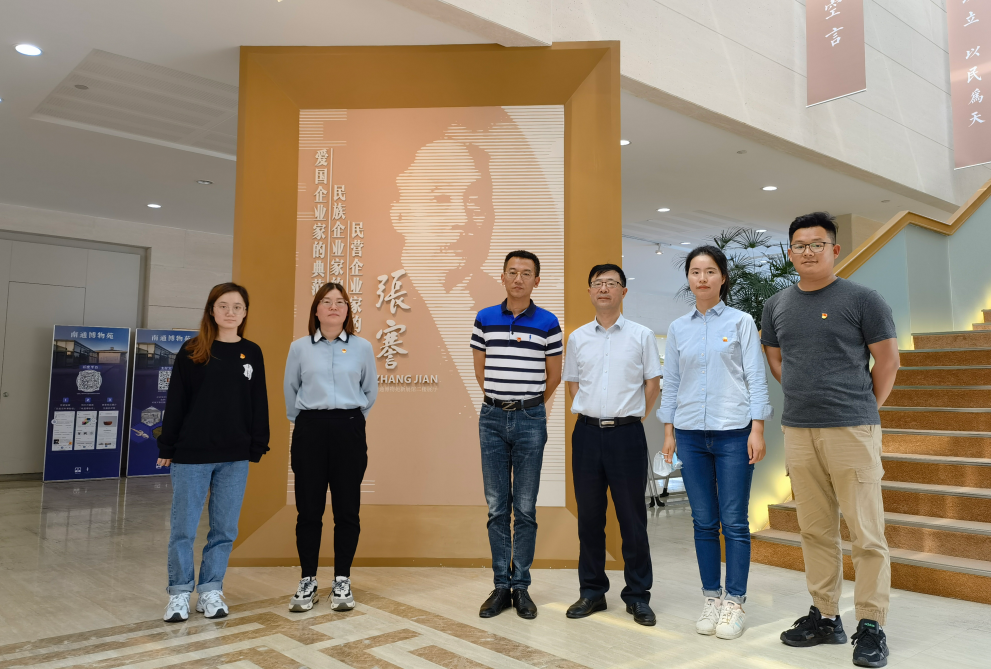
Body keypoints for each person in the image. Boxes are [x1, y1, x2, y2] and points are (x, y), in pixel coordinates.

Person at [762, 212, 899, 668]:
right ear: (790, 252)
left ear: (834, 250)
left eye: (817, 244)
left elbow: (888, 362)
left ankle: (871, 624)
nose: (808, 251)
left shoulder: (863, 299)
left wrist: (863, 408)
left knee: (867, 534)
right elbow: (776, 360)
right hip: (799, 431)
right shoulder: (776, 304)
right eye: (799, 245)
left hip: (851, 430)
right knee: (815, 529)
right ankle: (825, 617)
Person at [657, 245, 772, 640]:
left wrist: (757, 428)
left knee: (734, 521)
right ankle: (711, 597)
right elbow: (672, 381)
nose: (702, 278)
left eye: (709, 271)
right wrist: (669, 431)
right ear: (688, 278)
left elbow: (755, 376)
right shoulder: (678, 328)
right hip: (689, 434)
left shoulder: (741, 321)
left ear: (723, 277)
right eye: (695, 271)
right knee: (703, 521)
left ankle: (735, 602)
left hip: (734, 432)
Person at [159, 282, 270, 623]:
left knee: (224, 530)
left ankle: (210, 589)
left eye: (238, 307)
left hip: (234, 457)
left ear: (245, 313)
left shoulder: (251, 352)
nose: (230, 312)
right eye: (223, 305)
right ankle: (179, 593)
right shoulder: (193, 350)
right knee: (183, 529)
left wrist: (258, 443)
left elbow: (258, 401)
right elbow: (176, 401)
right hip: (192, 454)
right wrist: (167, 446)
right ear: (211, 310)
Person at [562, 264, 662, 627]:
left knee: (632, 519)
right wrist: (595, 414)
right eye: (598, 283)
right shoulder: (577, 338)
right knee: (589, 518)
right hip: (587, 434)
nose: (604, 288)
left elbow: (652, 384)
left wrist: (630, 418)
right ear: (590, 291)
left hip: (626, 435)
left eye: (611, 283)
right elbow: (573, 384)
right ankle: (592, 591)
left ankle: (637, 595)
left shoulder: (641, 335)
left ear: (623, 291)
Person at [470, 250, 563, 619]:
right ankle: (500, 586)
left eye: (526, 273)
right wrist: (501, 400)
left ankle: (521, 586)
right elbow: (480, 370)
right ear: (503, 277)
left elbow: (554, 375)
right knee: (497, 508)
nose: (518, 278)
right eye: (512, 272)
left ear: (536, 280)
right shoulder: (485, 318)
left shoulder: (548, 322)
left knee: (525, 508)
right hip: (491, 418)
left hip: (530, 420)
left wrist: (527, 404)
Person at [284, 282, 378, 613]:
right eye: (326, 301)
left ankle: (342, 580)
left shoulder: (362, 347)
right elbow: (291, 390)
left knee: (347, 510)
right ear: (316, 310)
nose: (334, 307)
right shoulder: (299, 348)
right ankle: (307, 580)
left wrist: (349, 419)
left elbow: (369, 390)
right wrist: (308, 421)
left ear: (348, 310)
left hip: (348, 429)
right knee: (308, 510)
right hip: (309, 429)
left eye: (340, 302)